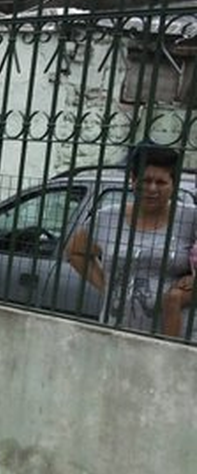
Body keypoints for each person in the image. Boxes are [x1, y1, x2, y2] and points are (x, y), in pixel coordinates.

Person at [67, 142, 197, 335]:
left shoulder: (191, 219)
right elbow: (74, 252)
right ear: (133, 180)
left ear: (173, 184)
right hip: (117, 330)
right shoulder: (107, 218)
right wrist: (106, 286)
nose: (152, 188)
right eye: (145, 180)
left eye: (161, 182)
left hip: (177, 339)